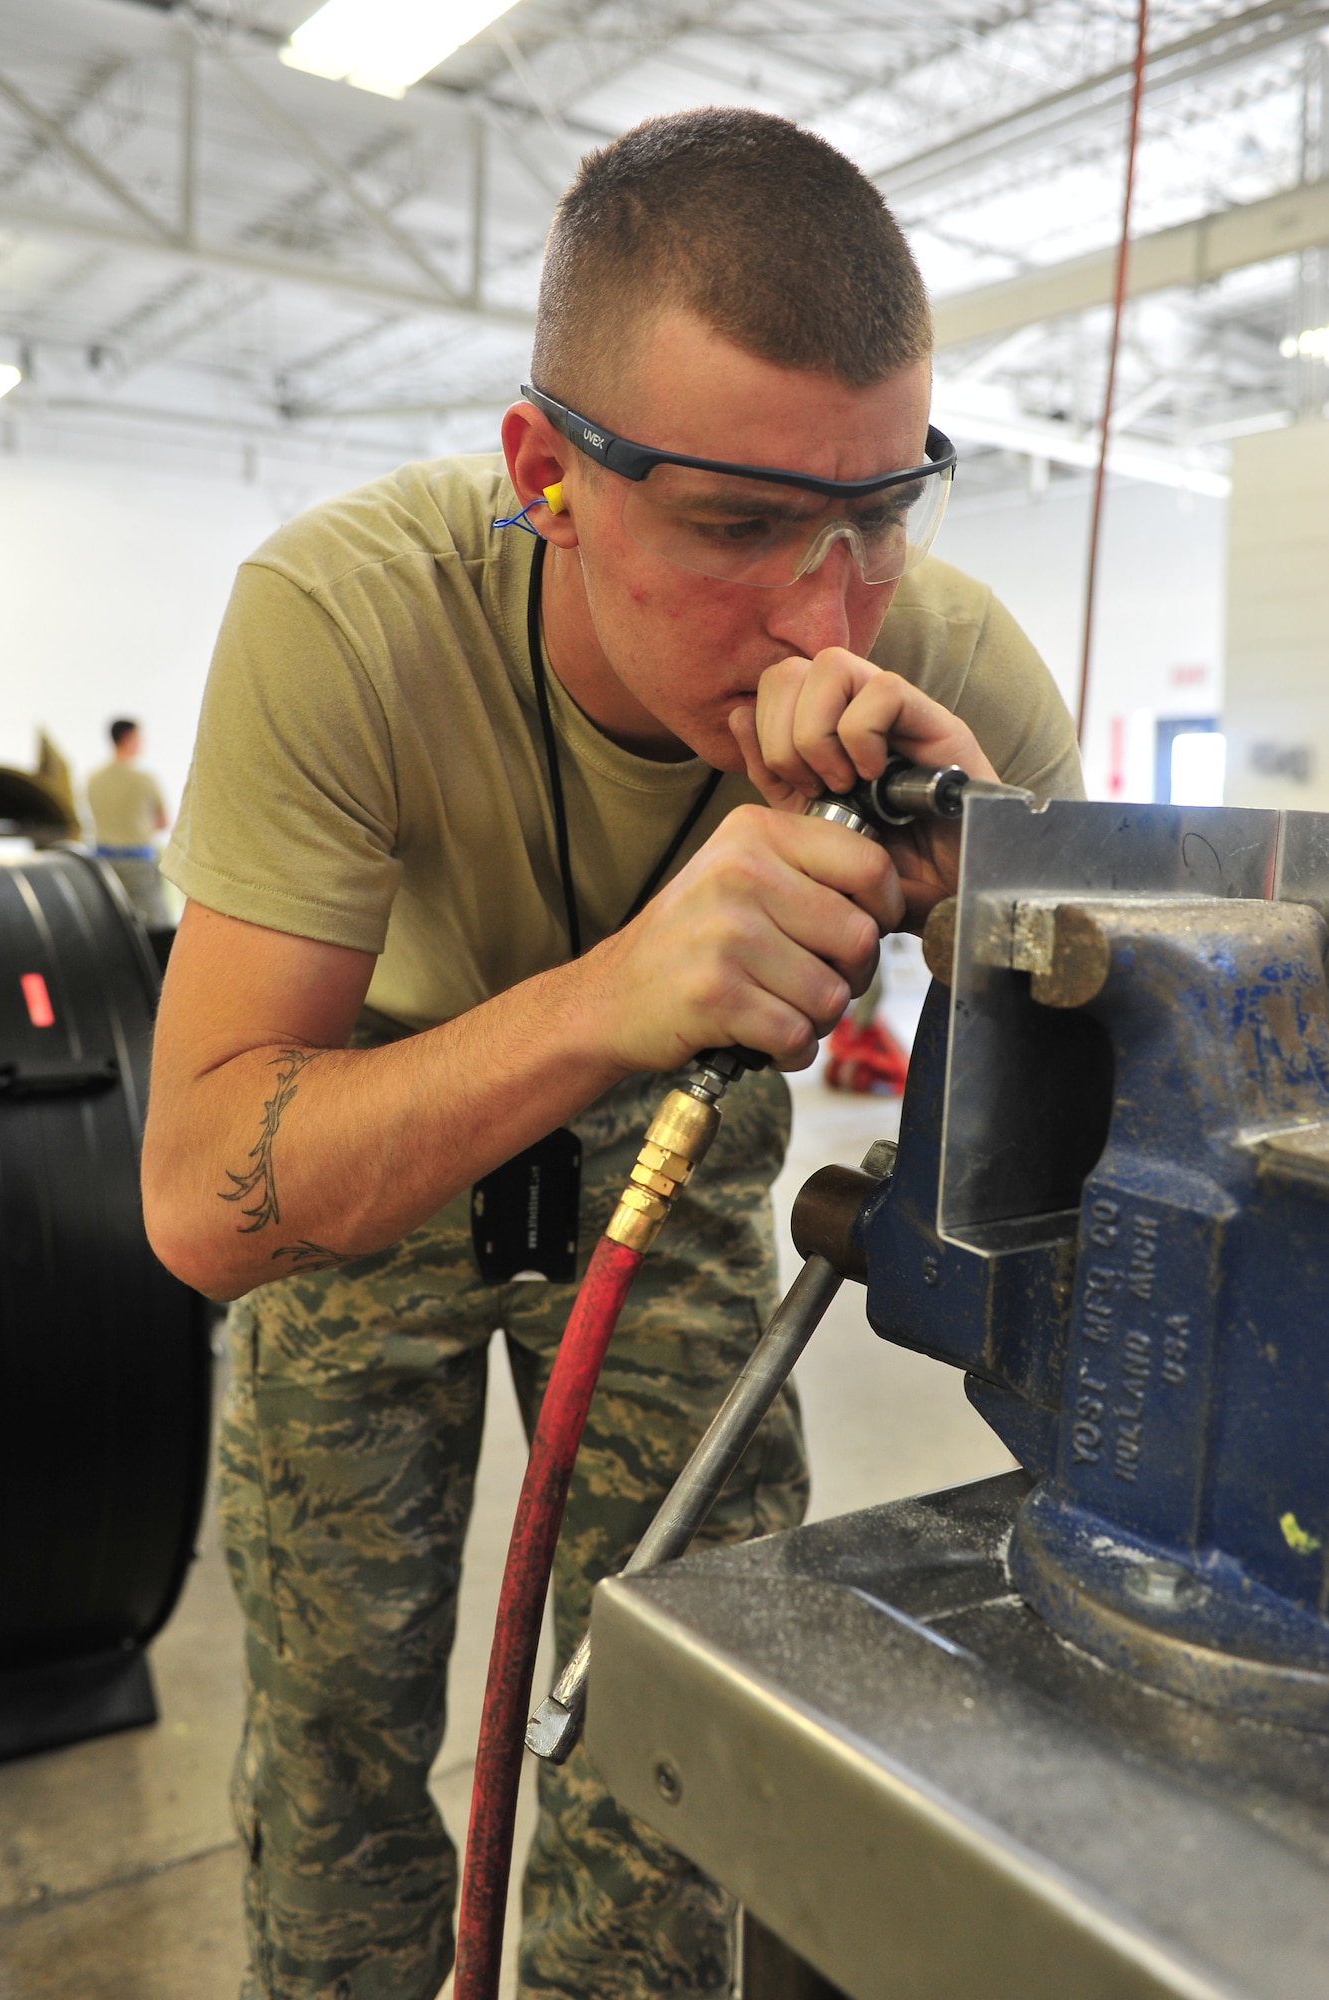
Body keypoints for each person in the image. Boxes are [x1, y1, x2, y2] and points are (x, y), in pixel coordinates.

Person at [142, 109, 1083, 2000]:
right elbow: (198, 1200)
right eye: (737, 526)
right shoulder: (345, 617)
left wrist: (988, 912)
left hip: (689, 1160)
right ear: (545, 475)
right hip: (382, 1138)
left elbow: (1120, 1177)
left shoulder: (955, 669)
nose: (826, 613)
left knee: (675, 1708)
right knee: (336, 1734)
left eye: (879, 515)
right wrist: (610, 998)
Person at [87, 717, 171, 928]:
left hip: (104, 863)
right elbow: (163, 821)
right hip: (138, 864)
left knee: (113, 927)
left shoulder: (93, 779)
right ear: (129, 738)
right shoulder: (144, 779)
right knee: (155, 926)